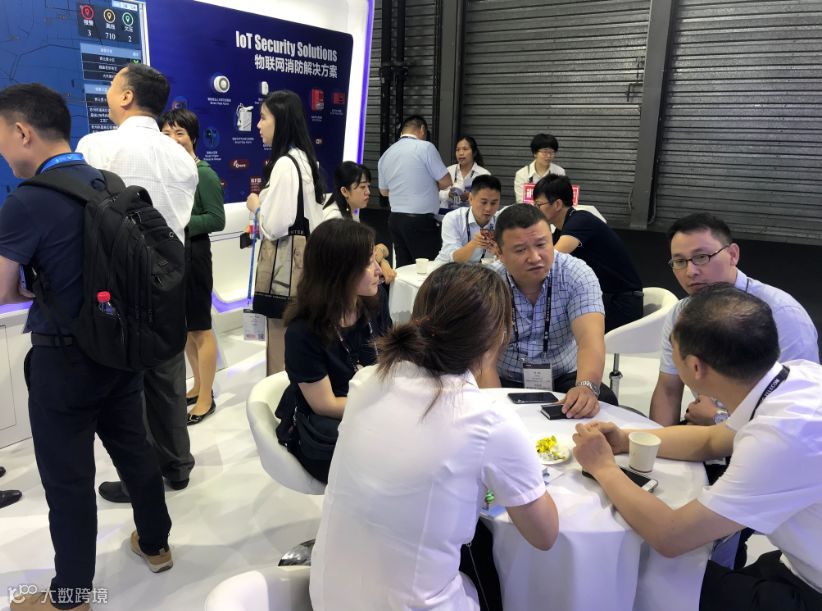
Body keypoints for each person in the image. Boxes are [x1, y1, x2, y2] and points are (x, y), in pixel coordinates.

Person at [0, 83, 172, 610]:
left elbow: (3, 290)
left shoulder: (27, 201)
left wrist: (36, 289)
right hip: (120, 346)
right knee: (135, 449)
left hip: (63, 359)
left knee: (68, 479)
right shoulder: (108, 182)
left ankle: (71, 595)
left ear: (22, 131)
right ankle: (156, 543)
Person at [310, 263, 558, 610]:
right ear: (497, 336)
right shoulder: (488, 420)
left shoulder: (367, 381)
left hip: (328, 594)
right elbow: (544, 535)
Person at [572, 285, 822, 611]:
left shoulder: (779, 439)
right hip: (799, 562)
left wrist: (603, 468)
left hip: (810, 588)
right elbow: (711, 440)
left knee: (647, 574)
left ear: (695, 367)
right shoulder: (795, 377)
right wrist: (624, 438)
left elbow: (670, 536)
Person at [77, 63, 198, 502]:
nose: (109, 93)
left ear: (127, 96)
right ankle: (177, 466)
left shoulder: (96, 146)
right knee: (167, 372)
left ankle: (139, 480)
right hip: (169, 275)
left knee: (127, 383)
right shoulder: (181, 155)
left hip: (117, 280)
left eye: (113, 86)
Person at [650, 213, 818, 427]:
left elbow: (802, 410)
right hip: (705, 433)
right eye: (680, 261)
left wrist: (720, 418)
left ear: (732, 254)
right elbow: (668, 390)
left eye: (702, 257)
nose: (690, 271)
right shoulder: (681, 313)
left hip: (769, 435)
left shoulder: (783, 314)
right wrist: (658, 442)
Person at [277, 219, 391, 483]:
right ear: (341, 271)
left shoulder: (373, 301)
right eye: (368, 263)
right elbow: (325, 405)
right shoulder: (303, 332)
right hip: (329, 437)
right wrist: (386, 405)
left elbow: (390, 357)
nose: (378, 270)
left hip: (372, 416)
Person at [489, 204, 617, 414]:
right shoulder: (490, 284)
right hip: (505, 376)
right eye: (520, 250)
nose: (535, 257)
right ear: (499, 252)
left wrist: (586, 387)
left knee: (603, 401)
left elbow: (590, 340)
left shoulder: (576, 274)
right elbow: (483, 358)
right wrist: (493, 405)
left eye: (542, 244)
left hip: (562, 375)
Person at [246, 90, 325, 375]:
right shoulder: (305, 159)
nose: (258, 125)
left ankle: (277, 398)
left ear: (280, 121)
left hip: (284, 273)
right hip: (308, 265)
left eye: (263, 118)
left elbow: (277, 225)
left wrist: (256, 206)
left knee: (280, 340)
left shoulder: (284, 164)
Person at [159, 108, 226, 425]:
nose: (172, 139)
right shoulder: (168, 173)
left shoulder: (204, 174)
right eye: (166, 133)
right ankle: (198, 385)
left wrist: (178, 222)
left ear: (194, 138)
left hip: (195, 255)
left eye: (179, 133)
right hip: (173, 255)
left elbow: (216, 219)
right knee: (186, 329)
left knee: (200, 328)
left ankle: (206, 398)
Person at [534, 174, 643, 332]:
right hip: (606, 298)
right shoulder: (561, 229)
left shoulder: (580, 221)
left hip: (621, 304)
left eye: (538, 204)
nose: (536, 209)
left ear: (557, 204)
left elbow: (551, 259)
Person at [378, 115, 451, 267]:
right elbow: (446, 181)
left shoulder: (386, 153)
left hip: (395, 219)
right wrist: (428, 186)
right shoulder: (426, 147)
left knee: (404, 268)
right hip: (420, 221)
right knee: (428, 269)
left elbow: (384, 192)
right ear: (422, 129)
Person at [323, 161, 396, 284]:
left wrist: (381, 258)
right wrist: (380, 259)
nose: (368, 192)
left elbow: (377, 249)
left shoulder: (351, 211)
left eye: (368, 186)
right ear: (344, 191)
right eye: (362, 187)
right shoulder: (335, 220)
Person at [435, 174, 502, 263]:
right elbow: (455, 259)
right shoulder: (453, 218)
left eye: (493, 203)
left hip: (484, 269)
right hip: (449, 268)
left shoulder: (502, 221)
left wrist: (500, 253)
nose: (488, 208)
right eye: (483, 202)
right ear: (470, 199)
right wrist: (474, 243)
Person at [437, 135, 491, 215]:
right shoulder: (448, 171)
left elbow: (488, 198)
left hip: (471, 216)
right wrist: (448, 194)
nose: (461, 153)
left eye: (465, 149)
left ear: (474, 152)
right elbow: (435, 193)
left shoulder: (484, 174)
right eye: (457, 150)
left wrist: (471, 196)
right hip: (447, 215)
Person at [513, 133, 565, 203]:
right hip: (530, 209)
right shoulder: (522, 174)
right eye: (545, 152)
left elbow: (562, 198)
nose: (549, 156)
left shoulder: (559, 172)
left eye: (552, 152)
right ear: (535, 153)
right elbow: (521, 202)